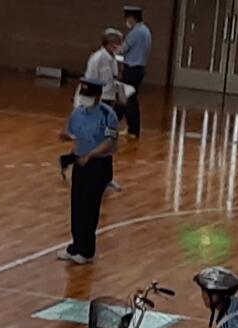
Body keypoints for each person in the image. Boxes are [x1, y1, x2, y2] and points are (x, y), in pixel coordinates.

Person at [56, 78, 118, 265]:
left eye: (89, 95)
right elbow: (71, 131)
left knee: (90, 207)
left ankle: (87, 249)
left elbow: (110, 142)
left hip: (98, 164)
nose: (86, 99)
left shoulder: (108, 115)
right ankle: (76, 245)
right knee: (77, 204)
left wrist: (91, 154)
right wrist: (66, 137)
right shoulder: (78, 113)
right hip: (80, 163)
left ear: (98, 96)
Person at [60, 28, 124, 189]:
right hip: (95, 104)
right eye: (117, 43)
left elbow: (113, 81)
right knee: (99, 141)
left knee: (105, 140)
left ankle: (68, 160)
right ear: (109, 43)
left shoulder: (112, 59)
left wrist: (118, 96)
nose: (119, 46)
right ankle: (103, 177)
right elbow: (88, 84)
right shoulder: (97, 59)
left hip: (107, 102)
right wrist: (86, 106)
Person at [117, 5, 152, 139]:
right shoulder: (146, 31)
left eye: (127, 19)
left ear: (131, 18)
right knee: (126, 98)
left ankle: (133, 129)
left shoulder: (135, 32)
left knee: (128, 99)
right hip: (139, 69)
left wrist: (112, 50)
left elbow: (123, 49)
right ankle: (126, 126)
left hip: (131, 70)